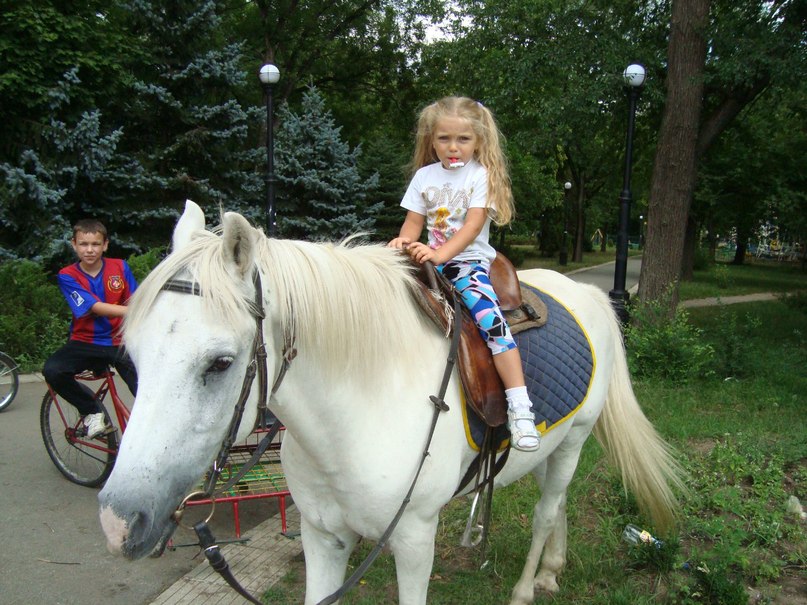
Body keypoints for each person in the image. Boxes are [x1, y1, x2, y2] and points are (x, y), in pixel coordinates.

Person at [388, 96, 540, 452]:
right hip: (428, 259)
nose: (453, 147)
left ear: (478, 141)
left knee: (492, 325)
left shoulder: (479, 176)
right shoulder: (424, 176)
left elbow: (471, 228)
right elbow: (413, 223)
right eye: (444, 139)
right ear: (432, 140)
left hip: (466, 262)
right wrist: (401, 242)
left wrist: (438, 254)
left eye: (463, 139)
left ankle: (520, 408)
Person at [43, 219, 138, 438]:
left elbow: (134, 299)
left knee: (146, 391)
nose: (89, 250)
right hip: (85, 342)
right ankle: (91, 411)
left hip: (120, 342)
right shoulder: (67, 275)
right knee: (53, 371)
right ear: (74, 244)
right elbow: (94, 307)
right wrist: (137, 312)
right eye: (83, 244)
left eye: (95, 244)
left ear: (105, 245)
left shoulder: (120, 267)